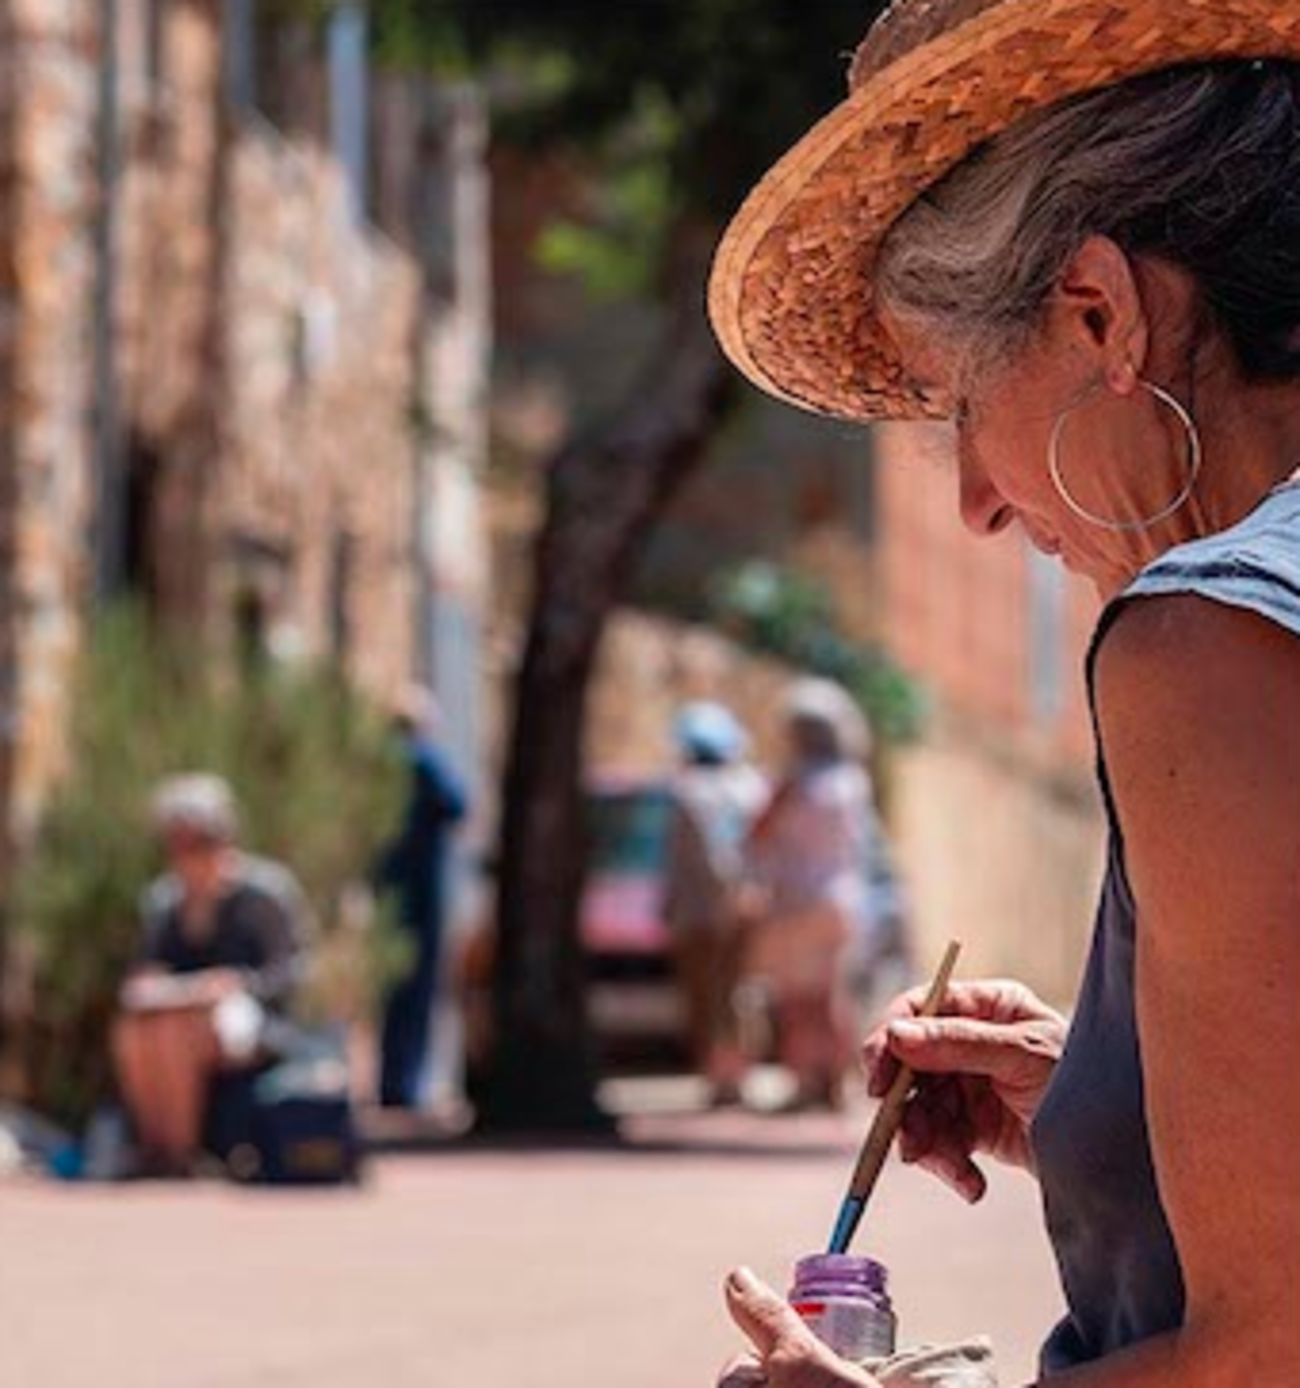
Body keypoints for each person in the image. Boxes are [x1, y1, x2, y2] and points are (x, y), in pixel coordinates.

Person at [707, 2, 1300, 1384]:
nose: (976, 502)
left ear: (1099, 313)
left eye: (957, 403)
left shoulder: (1208, 639)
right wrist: (1118, 1108)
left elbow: (1272, 1353)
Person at [112, 774, 314, 1175]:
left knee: (180, 1032)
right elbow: (151, 969)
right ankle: (157, 1147)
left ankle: (181, 1153)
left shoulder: (266, 892)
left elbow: (292, 970)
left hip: (258, 1023)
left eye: (198, 841)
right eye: (177, 843)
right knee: (135, 1031)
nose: (187, 854)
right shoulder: (164, 900)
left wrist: (240, 984)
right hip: (183, 1012)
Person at [743, 679, 874, 1111]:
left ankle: (803, 1083)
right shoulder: (852, 782)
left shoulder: (793, 784)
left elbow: (756, 834)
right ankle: (837, 1083)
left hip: (795, 902)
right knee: (833, 995)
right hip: (840, 900)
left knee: (798, 999)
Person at [661, 701, 767, 1105]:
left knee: (707, 996)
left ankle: (722, 1078)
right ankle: (734, 1076)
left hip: (703, 911)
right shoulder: (750, 786)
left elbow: (711, 853)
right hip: (744, 905)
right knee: (738, 992)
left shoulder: (690, 791)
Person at [374, 683, 470, 1110]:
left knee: (389, 990)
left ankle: (390, 1081)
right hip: (421, 889)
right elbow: (459, 805)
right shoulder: (424, 760)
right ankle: (406, 1085)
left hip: (384, 890)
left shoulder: (373, 762)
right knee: (418, 990)